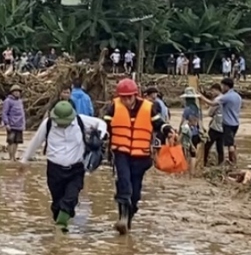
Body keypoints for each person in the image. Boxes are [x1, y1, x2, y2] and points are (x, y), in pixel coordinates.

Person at [21, 99, 108, 231]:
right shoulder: (48, 124)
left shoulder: (80, 121)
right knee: (57, 203)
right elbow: (36, 141)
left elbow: (101, 123)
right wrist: (24, 160)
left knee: (71, 197)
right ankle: (60, 229)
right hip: (54, 170)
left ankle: (61, 226)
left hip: (76, 169)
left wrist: (99, 136)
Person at [102, 78, 167, 235]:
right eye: (123, 97)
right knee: (124, 183)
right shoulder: (113, 107)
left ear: (135, 95)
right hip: (120, 153)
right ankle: (123, 217)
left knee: (135, 193)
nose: (126, 101)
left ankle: (127, 219)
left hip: (141, 156)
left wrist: (169, 130)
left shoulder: (149, 108)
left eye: (129, 97)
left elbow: (160, 124)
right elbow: (104, 126)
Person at [208, 77, 242, 166]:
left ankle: (233, 163)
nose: (222, 88)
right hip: (235, 123)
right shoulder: (237, 96)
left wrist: (200, 97)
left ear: (227, 86)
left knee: (230, 145)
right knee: (229, 144)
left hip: (227, 124)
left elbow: (211, 106)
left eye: (223, 86)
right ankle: (232, 162)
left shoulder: (225, 97)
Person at [1, 85, 27, 162]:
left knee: (16, 142)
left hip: (19, 125)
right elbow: (4, 113)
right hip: (11, 125)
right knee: (10, 141)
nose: (17, 93)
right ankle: (11, 157)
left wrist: (23, 124)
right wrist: (6, 123)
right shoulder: (8, 101)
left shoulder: (20, 101)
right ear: (12, 93)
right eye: (15, 92)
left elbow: (22, 114)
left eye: (18, 92)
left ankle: (14, 156)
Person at [178, 87, 203, 166]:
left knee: (186, 153)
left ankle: (188, 172)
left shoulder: (187, 109)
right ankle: (193, 172)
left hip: (188, 134)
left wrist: (179, 132)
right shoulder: (197, 109)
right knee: (193, 154)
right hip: (195, 132)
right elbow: (199, 121)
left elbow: (182, 122)